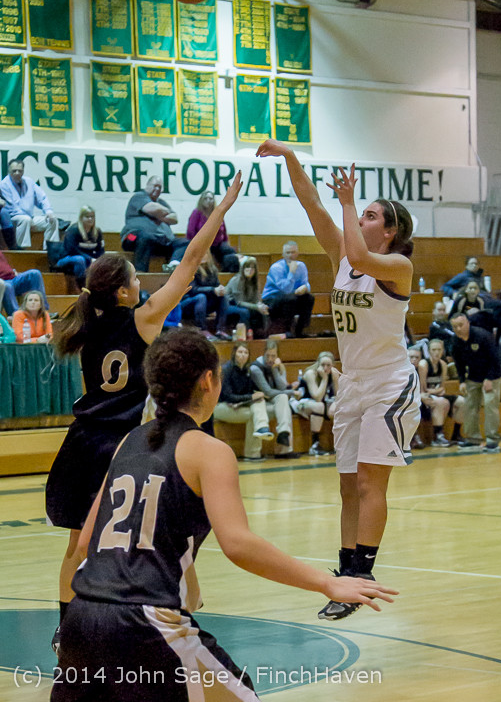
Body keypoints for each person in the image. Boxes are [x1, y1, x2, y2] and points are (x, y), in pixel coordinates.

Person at [51, 328, 397, 702]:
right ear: (209, 380)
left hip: (81, 619)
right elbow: (238, 544)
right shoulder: (208, 450)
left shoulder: (127, 442)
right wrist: (327, 583)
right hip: (145, 621)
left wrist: (185, 587)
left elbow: (87, 542)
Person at [45, 173, 243, 653]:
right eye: (135, 278)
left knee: (77, 546)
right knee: (166, 540)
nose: (141, 281)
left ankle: (65, 630)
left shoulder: (84, 323)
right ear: (124, 292)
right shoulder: (142, 319)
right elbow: (192, 261)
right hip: (119, 448)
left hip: (80, 442)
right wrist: (221, 210)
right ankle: (178, 621)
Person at [257, 139, 420, 621]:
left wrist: (348, 203)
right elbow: (312, 204)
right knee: (348, 485)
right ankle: (345, 576)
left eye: (372, 216)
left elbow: (362, 257)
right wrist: (290, 158)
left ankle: (363, 574)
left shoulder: (397, 266)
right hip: (352, 385)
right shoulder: (343, 257)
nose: (362, 218)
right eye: (362, 213)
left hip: (390, 384)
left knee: (371, 482)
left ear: (389, 233)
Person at [450, 312, 501, 454]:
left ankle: (492, 440)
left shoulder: (483, 336)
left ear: (468, 323)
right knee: (470, 407)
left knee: (491, 406)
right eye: (455, 326)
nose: (458, 329)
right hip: (473, 377)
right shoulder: (455, 341)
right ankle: (473, 439)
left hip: (492, 376)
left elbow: (495, 359)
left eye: (460, 325)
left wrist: (490, 379)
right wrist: (462, 381)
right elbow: (459, 364)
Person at [214, 342, 274, 461]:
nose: (243, 355)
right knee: (255, 411)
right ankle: (254, 449)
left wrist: (250, 398)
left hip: (238, 406)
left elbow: (249, 393)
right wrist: (251, 397)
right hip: (221, 407)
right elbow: (228, 396)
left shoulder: (248, 371)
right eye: (240, 352)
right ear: (234, 354)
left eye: (245, 352)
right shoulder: (226, 370)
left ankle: (260, 433)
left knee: (259, 401)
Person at [121, 176, 189, 272]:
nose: (157, 189)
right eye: (155, 186)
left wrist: (159, 213)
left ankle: (172, 266)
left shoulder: (161, 202)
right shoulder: (139, 196)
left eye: (160, 187)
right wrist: (164, 213)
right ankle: (141, 273)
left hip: (157, 241)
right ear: (147, 185)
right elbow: (151, 208)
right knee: (144, 236)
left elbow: (175, 219)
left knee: (185, 243)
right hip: (132, 238)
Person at [249, 339, 301, 459]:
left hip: (273, 399)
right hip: (260, 402)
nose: (270, 359)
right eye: (268, 356)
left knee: (283, 399)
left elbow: (282, 387)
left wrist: (276, 370)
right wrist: (292, 392)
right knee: (283, 400)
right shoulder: (255, 368)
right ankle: (284, 447)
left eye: (273, 356)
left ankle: (283, 439)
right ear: (263, 353)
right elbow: (267, 391)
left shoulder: (277, 366)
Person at [180, 250, 243, 340]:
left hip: (204, 303)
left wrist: (220, 289)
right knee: (201, 297)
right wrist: (213, 290)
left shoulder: (212, 269)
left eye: (205, 254)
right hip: (188, 303)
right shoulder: (190, 269)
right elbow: (193, 290)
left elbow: (216, 285)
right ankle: (202, 329)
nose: (203, 256)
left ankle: (220, 329)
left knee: (223, 297)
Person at [0, 158, 59, 248]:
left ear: (23, 171)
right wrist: (29, 219)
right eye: (14, 171)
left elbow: (42, 197)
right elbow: (13, 207)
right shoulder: (4, 184)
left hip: (30, 217)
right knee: (25, 220)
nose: (17, 173)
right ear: (9, 171)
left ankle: (51, 249)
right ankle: (22, 251)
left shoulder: (29, 182)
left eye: (20, 171)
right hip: (13, 218)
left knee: (52, 220)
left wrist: (48, 211)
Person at [261, 241, 315, 338]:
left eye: (293, 252)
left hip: (291, 297)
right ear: (283, 254)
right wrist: (291, 272)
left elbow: (305, 283)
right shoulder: (276, 268)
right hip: (271, 299)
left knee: (309, 298)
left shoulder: (301, 266)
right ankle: (287, 331)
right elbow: (286, 290)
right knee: (290, 299)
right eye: (288, 253)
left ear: (297, 253)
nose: (290, 255)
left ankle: (300, 330)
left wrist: (305, 287)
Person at [417, 339, 465, 447]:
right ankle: (438, 437)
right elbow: (423, 389)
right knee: (441, 402)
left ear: (443, 351)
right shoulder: (423, 364)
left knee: (462, 401)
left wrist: (434, 391)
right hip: (424, 397)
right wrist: (435, 391)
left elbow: (442, 388)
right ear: (429, 351)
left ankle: (456, 434)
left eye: (439, 350)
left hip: (437, 394)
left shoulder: (443, 364)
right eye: (434, 350)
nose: (436, 352)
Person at [293, 351, 339, 456]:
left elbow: (338, 397)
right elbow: (317, 397)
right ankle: (314, 445)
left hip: (321, 403)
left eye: (328, 365)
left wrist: (336, 380)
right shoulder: (310, 373)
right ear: (318, 364)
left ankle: (338, 445)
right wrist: (324, 379)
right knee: (319, 406)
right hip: (302, 403)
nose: (325, 368)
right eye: (323, 365)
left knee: (338, 409)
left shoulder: (332, 374)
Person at [186, 190, 240, 272]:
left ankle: (227, 273)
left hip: (217, 244)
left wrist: (226, 243)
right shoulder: (196, 213)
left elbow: (224, 232)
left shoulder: (218, 213)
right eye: (206, 199)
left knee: (231, 252)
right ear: (202, 200)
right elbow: (191, 231)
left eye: (210, 199)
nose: (208, 201)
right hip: (202, 244)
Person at [55, 206, 105, 291]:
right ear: (81, 218)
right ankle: (81, 286)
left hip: (87, 259)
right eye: (87, 217)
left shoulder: (97, 232)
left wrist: (98, 259)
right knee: (80, 260)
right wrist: (90, 258)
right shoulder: (73, 230)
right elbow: (71, 250)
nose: (90, 219)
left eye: (92, 217)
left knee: (103, 261)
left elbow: (101, 250)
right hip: (65, 259)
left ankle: (99, 288)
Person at [225, 256, 269, 337]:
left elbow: (256, 299)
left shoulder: (254, 281)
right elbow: (238, 302)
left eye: (253, 268)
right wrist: (256, 307)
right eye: (247, 267)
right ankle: (246, 336)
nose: (250, 270)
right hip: (229, 305)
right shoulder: (237, 280)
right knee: (245, 312)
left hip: (245, 305)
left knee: (263, 312)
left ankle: (263, 336)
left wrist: (261, 306)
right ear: (243, 268)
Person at [0, 247, 49, 316]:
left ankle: (42, 311)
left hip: (13, 278)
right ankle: (18, 316)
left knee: (35, 274)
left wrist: (13, 271)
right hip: (2, 282)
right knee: (7, 286)